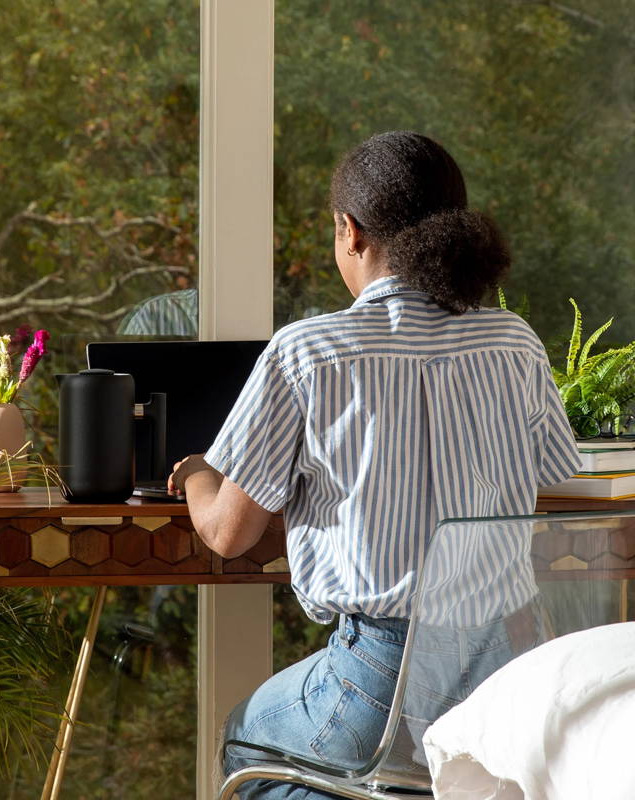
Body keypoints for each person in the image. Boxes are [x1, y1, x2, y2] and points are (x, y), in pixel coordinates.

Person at [168, 131, 580, 799]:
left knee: (248, 735)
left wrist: (195, 474)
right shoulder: (513, 342)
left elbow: (227, 534)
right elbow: (554, 481)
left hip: (375, 681)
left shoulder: (307, 352)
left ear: (349, 232)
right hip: (501, 672)